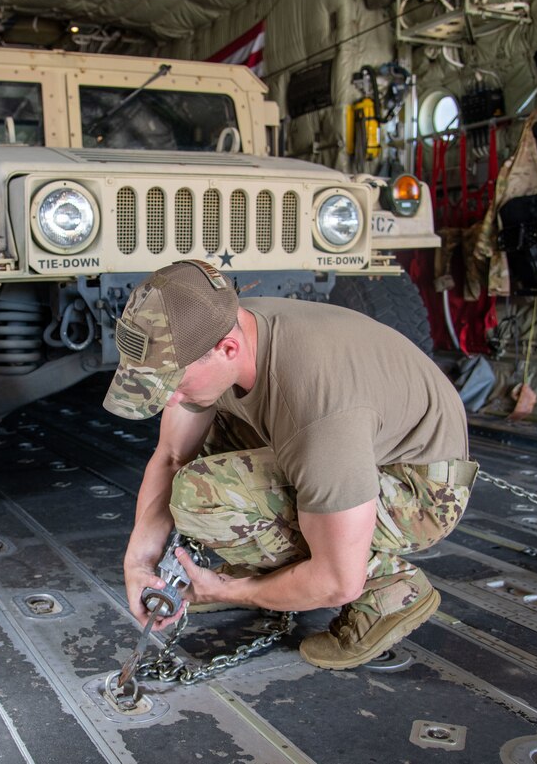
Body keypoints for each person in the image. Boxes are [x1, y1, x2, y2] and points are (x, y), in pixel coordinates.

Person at [103, 259, 477, 670]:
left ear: (227, 350)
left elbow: (338, 580)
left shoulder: (317, 410)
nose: (169, 399)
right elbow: (173, 456)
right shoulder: (220, 326)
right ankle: (270, 567)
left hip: (417, 487)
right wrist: (137, 562)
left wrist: (229, 591)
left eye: (173, 383)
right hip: (354, 447)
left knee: (201, 496)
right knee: (203, 441)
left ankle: (388, 587)